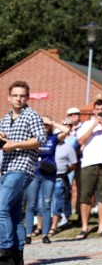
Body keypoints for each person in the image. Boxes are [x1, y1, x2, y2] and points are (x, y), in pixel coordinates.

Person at [0, 81, 46, 265]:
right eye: (15, 95)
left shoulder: (32, 116)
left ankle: (5, 251)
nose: (18, 99)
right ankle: (17, 256)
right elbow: (4, 140)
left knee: (1, 209)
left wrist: (16, 144)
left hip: (22, 168)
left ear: (27, 97)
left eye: (22, 95)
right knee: (13, 214)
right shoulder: (5, 118)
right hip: (6, 169)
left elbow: (41, 138)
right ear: (9, 97)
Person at [75, 98, 102, 239]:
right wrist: (93, 126)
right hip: (88, 163)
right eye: (97, 110)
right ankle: (84, 227)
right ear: (93, 111)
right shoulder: (86, 124)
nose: (100, 112)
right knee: (86, 196)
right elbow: (81, 141)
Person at [24, 116, 68, 245]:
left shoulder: (53, 138)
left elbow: (66, 131)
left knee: (47, 204)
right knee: (31, 204)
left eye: (46, 124)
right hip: (34, 173)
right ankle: (28, 234)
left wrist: (53, 122)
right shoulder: (33, 138)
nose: (44, 126)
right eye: (42, 124)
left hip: (49, 174)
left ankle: (45, 234)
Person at [49, 134, 77, 235]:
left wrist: (64, 172)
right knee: (43, 201)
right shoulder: (48, 145)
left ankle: (54, 225)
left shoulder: (68, 148)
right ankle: (42, 226)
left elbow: (73, 163)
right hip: (45, 177)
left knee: (58, 201)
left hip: (59, 177)